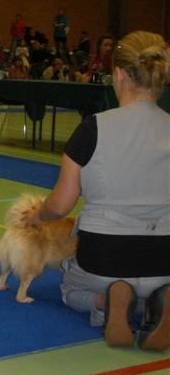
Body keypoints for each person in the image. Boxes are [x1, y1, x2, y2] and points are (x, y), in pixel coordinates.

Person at [30, 31, 169, 351]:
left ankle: (107, 301)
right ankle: (153, 302)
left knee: (68, 288)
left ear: (118, 75)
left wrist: (38, 216)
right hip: (163, 256)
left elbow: (61, 205)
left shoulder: (92, 127)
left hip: (104, 256)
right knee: (153, 280)